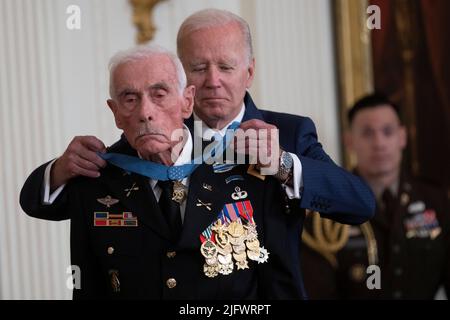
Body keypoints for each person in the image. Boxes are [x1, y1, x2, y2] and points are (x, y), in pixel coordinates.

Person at [26, 9, 374, 226]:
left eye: (225, 66)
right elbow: (44, 204)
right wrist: (58, 171)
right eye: (197, 68)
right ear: (182, 82)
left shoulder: (291, 132)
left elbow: (359, 205)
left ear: (249, 72)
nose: (212, 80)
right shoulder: (152, 139)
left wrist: (282, 164)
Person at [21, 45, 310, 299]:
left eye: (159, 94)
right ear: (115, 112)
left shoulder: (246, 166)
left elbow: (279, 282)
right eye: (130, 99)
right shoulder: (96, 179)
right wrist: (58, 168)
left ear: (187, 101)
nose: (145, 111)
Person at [301, 93, 450, 299]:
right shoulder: (325, 209)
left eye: (388, 132)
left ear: (402, 137)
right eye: (367, 133)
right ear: (349, 141)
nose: (379, 143)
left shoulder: (436, 201)